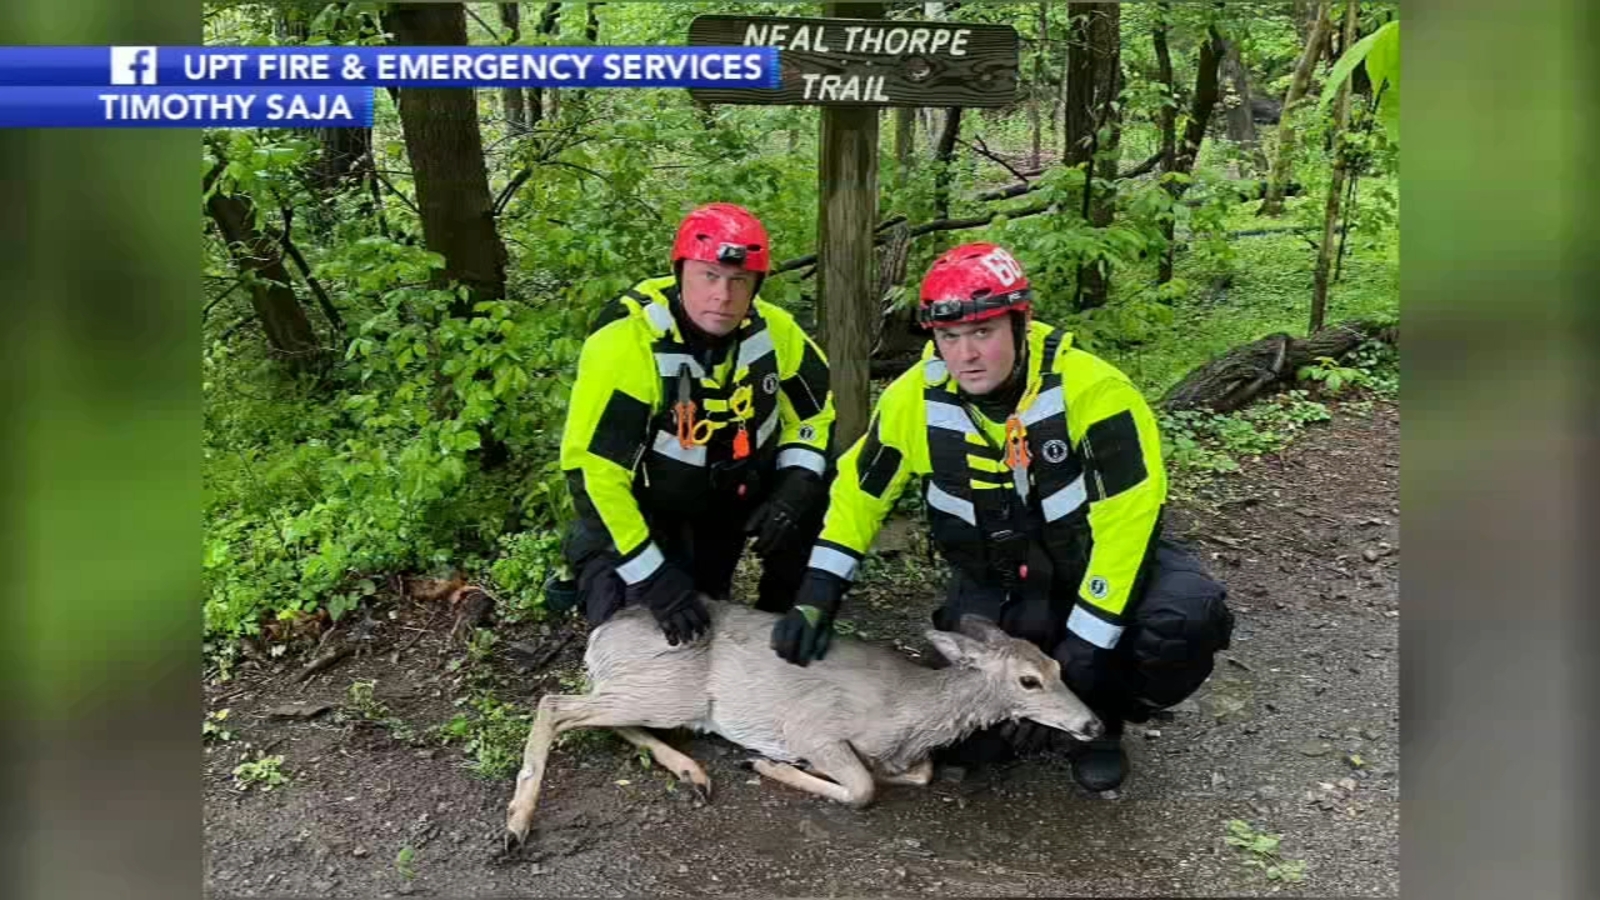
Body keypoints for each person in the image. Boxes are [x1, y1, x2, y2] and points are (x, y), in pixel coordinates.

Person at [770, 241, 1234, 793]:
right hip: (996, 581)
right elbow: (857, 496)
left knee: (1184, 619)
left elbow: (1127, 526)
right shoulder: (912, 401)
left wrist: (1085, 650)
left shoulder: (1097, 393)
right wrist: (818, 592)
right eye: (950, 337)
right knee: (966, 739)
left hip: (1093, 569)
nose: (966, 354)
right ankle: (1035, 711)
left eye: (983, 333)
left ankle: (1103, 722)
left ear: (1021, 321)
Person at [554, 203, 836, 644]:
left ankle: (784, 626)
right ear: (681, 271)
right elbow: (595, 475)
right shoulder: (626, 345)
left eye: (738, 281)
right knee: (638, 632)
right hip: (649, 511)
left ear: (756, 285)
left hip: (729, 503)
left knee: (824, 483)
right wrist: (653, 578)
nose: (723, 296)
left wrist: (794, 487)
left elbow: (816, 413)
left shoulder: (776, 332)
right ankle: (619, 580)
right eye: (709, 276)